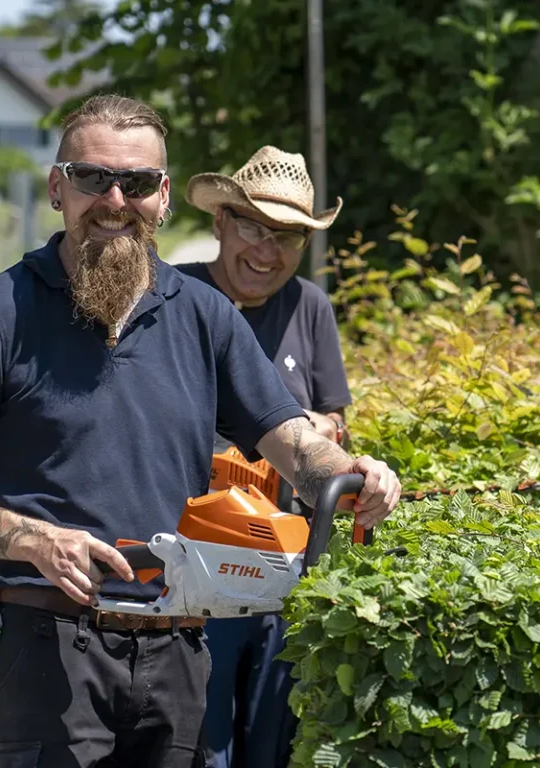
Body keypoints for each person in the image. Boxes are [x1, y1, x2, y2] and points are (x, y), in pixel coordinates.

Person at [0, 94, 401, 768]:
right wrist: (27, 537)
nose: (115, 201)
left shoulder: (206, 316)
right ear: (57, 188)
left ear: (162, 197)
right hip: (43, 646)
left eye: (136, 183)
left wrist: (350, 474)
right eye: (94, 178)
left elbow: (292, 440)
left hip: (179, 650)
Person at [178, 146, 351, 768]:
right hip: (198, 565)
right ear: (220, 221)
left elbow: (337, 419)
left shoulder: (310, 306)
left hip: (287, 564)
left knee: (272, 740)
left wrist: (312, 428)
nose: (266, 249)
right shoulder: (178, 300)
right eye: (252, 226)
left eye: (288, 236)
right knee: (202, 737)